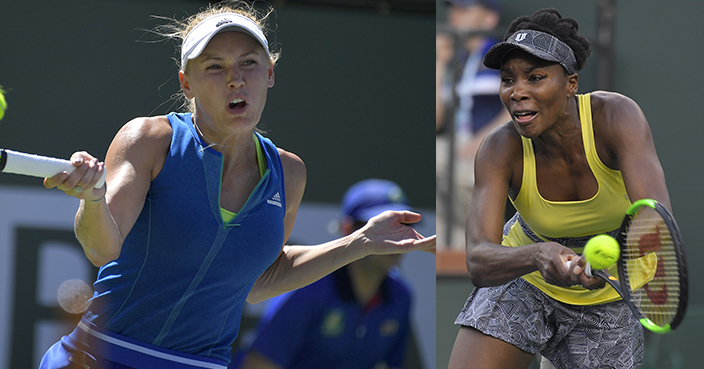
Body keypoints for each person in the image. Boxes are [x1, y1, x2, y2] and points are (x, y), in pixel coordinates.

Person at [38, 2, 435, 368]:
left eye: (249, 63)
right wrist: (93, 199)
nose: (235, 80)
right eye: (214, 66)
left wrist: (359, 242)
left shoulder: (289, 173)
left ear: (270, 72)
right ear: (186, 82)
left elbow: (260, 281)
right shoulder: (149, 140)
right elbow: (100, 247)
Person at [447, 8, 672, 369]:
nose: (518, 92)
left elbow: (655, 216)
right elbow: (479, 259)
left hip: (610, 296)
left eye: (535, 77)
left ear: (571, 83)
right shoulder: (497, 148)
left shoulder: (617, 117)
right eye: (508, 80)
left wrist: (610, 266)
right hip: (526, 280)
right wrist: (537, 256)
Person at [234, 179, 415, 369]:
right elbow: (258, 365)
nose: (396, 237)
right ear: (348, 230)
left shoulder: (402, 297)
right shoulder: (306, 289)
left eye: (402, 226)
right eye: (381, 227)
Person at [435, 0, 511, 247]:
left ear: (488, 19)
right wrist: (439, 63)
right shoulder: (454, 57)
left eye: (465, 9)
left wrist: (482, 140)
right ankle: (453, 251)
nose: (455, 16)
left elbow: (516, 109)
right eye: (453, 9)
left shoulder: (503, 55)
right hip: (455, 143)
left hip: (493, 144)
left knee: (459, 171)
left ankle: (480, 246)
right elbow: (437, 120)